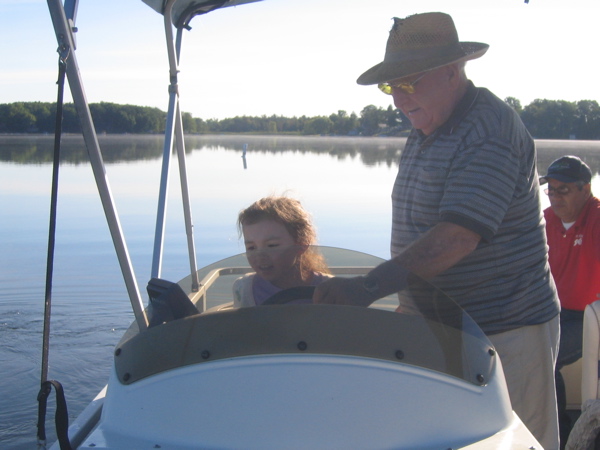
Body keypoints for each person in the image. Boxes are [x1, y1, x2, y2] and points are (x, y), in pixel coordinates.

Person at [313, 12, 560, 449]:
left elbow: (456, 236)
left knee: (516, 442)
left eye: (410, 82)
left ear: (453, 71)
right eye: (392, 86)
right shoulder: (428, 124)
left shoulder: (488, 129)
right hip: (440, 328)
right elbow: (420, 234)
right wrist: (407, 307)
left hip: (507, 331)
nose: (398, 99)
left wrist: (367, 287)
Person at [540, 155, 600, 447]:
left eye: (563, 189)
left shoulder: (597, 218)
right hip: (550, 311)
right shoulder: (545, 220)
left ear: (585, 189)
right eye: (550, 189)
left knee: (543, 359)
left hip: (588, 317)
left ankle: (559, 437)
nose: (555, 196)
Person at [233, 196, 330, 307]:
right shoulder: (244, 289)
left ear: (301, 243)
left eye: (272, 245)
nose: (259, 256)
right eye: (251, 247)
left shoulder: (331, 290)